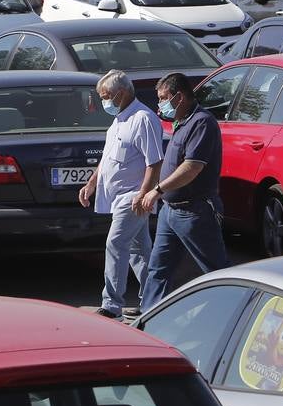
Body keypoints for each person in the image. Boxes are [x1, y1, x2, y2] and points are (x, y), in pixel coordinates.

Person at [135, 72, 227, 312]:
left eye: (163, 98)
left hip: (195, 211)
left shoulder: (202, 122)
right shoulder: (181, 122)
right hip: (171, 211)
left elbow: (192, 167)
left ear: (179, 97)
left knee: (216, 270)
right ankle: (149, 318)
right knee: (158, 269)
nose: (159, 105)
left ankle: (232, 314)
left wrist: (157, 190)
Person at [78, 70, 163, 319]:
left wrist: (144, 193)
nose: (104, 102)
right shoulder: (119, 120)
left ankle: (112, 305)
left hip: (133, 196)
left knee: (115, 243)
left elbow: (154, 162)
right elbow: (106, 160)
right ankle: (155, 301)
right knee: (139, 251)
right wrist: (91, 184)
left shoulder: (143, 119)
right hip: (118, 197)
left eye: (106, 96)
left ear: (121, 93)